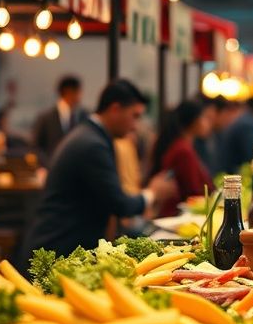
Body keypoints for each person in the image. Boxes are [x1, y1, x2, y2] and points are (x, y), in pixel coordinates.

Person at [21, 79, 176, 261]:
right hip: (55, 248)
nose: (135, 125)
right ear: (115, 109)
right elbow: (119, 203)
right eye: (134, 116)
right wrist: (152, 193)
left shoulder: (91, 135)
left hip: (61, 247)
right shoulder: (92, 144)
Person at [150, 99, 215, 217]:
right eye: (205, 118)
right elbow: (193, 192)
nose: (208, 123)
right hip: (177, 217)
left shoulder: (183, 146)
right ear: (195, 121)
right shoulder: (183, 150)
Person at [31, 75, 84, 164]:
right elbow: (35, 147)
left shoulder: (83, 116)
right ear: (69, 92)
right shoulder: (45, 118)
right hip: (50, 169)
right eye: (79, 92)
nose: (80, 96)